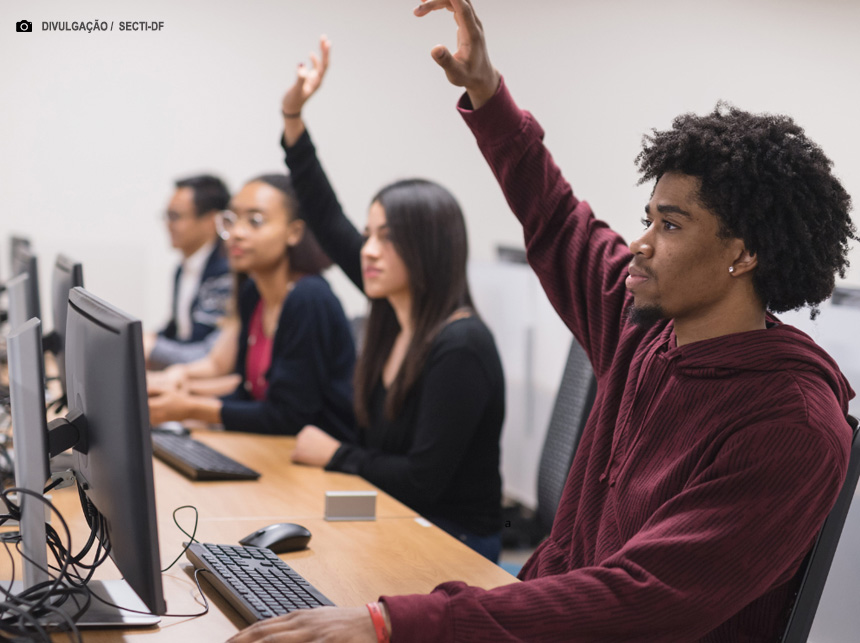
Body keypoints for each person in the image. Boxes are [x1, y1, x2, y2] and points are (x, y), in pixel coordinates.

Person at [228, 1, 858, 642]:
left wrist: (396, 623)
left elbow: (644, 600)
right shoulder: (645, 326)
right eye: (648, 218)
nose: (640, 243)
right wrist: (487, 92)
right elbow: (556, 217)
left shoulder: (792, 426)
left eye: (669, 225)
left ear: (743, 254)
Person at [279, 36, 506, 563]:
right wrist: (292, 116)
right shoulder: (392, 309)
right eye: (369, 234)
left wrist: (336, 454)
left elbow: (424, 483)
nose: (369, 251)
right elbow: (325, 215)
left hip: (454, 540)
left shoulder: (461, 346)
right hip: (394, 512)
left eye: (387, 237)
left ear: (426, 249)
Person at [148, 174, 357, 442]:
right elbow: (248, 393)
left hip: (319, 460)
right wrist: (181, 396)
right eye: (231, 221)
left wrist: (190, 406)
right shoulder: (253, 293)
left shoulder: (309, 298)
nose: (236, 233)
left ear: (294, 232)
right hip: (275, 447)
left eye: (255, 221)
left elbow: (289, 415)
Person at [146, 174, 233, 369]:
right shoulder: (182, 268)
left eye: (175, 217)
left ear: (212, 220)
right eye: (167, 216)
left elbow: (206, 352)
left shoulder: (226, 273)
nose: (167, 224)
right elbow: (177, 329)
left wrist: (151, 347)